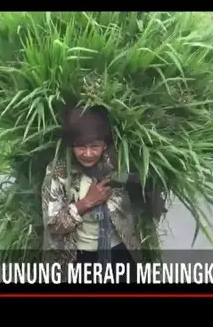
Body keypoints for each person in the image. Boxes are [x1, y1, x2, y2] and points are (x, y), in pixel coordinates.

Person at [41, 104, 167, 282]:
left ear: (105, 144)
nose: (87, 153)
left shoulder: (121, 164)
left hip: (120, 254)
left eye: (95, 146)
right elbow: (53, 224)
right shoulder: (60, 171)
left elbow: (146, 206)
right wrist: (86, 203)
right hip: (77, 260)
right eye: (80, 147)